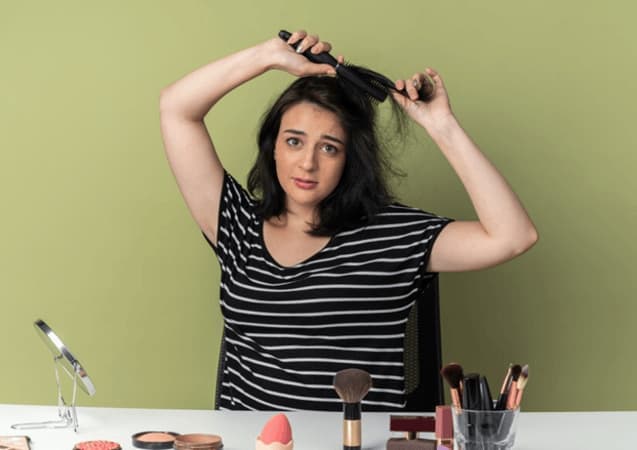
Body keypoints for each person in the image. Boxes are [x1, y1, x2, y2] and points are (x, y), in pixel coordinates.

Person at [159, 30, 538, 411]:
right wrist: (268, 56)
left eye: (329, 147)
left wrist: (441, 126)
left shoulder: (394, 235)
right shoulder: (237, 227)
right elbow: (176, 108)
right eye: (294, 141)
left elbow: (513, 237)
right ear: (272, 146)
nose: (308, 163)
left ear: (350, 159)